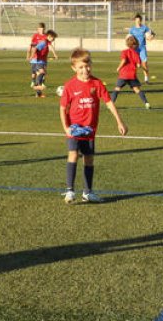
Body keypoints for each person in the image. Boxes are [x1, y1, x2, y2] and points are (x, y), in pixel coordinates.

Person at [59, 48, 128, 203]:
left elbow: (109, 103)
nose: (85, 70)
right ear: (74, 68)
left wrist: (119, 121)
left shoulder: (96, 83)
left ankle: (88, 192)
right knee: (73, 154)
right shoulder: (70, 85)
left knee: (89, 159)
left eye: (87, 65)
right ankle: (70, 191)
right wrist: (66, 127)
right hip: (75, 128)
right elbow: (63, 108)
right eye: (81, 67)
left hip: (90, 130)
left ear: (91, 64)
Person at [111, 35, 151, 109]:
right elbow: (139, 65)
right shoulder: (136, 54)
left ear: (127, 44)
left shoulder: (124, 52)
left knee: (117, 88)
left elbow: (124, 60)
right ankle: (146, 103)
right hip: (132, 75)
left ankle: (112, 104)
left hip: (124, 75)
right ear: (136, 44)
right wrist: (145, 69)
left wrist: (119, 67)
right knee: (137, 90)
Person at [29, 29, 58, 97]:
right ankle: (35, 87)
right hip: (38, 61)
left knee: (41, 75)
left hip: (40, 61)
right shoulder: (44, 42)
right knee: (41, 73)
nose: (53, 40)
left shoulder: (46, 42)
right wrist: (32, 56)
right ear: (49, 36)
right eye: (53, 39)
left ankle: (38, 94)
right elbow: (35, 48)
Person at [127, 14, 155, 83]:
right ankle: (133, 79)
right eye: (136, 21)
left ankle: (146, 78)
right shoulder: (132, 29)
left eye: (139, 21)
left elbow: (153, 33)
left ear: (141, 21)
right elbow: (129, 38)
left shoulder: (144, 28)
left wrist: (151, 37)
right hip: (134, 49)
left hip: (142, 48)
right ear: (135, 21)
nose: (138, 22)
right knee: (134, 64)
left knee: (144, 64)